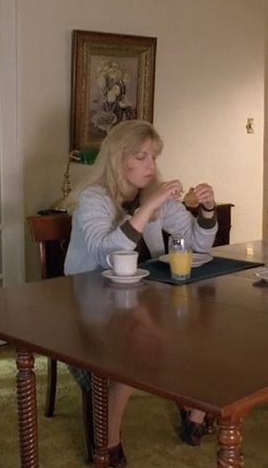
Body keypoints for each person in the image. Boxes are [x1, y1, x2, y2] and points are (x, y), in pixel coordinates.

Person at [64, 119, 218, 466]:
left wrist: (207, 212)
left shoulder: (154, 193)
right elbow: (106, 251)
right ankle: (109, 440)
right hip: (88, 303)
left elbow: (193, 243)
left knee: (199, 325)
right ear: (120, 160)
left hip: (140, 299)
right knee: (138, 345)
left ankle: (193, 411)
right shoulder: (94, 199)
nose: (152, 166)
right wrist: (149, 208)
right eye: (143, 157)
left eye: (153, 157)